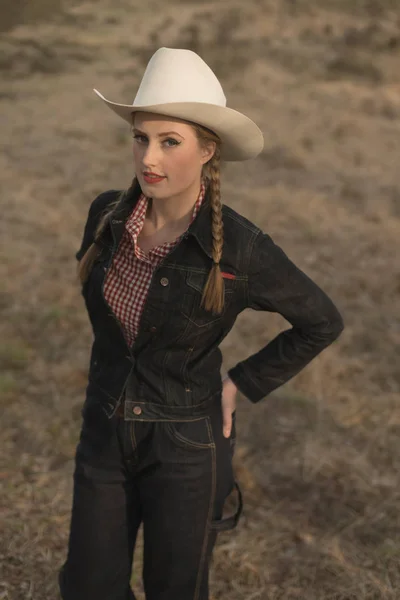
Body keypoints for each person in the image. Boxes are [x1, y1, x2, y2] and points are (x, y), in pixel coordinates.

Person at [58, 47, 344, 600]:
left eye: (170, 142)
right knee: (88, 587)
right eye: (141, 138)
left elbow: (321, 321)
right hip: (104, 433)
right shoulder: (106, 216)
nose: (149, 158)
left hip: (186, 448)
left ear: (208, 149)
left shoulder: (240, 246)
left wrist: (241, 383)